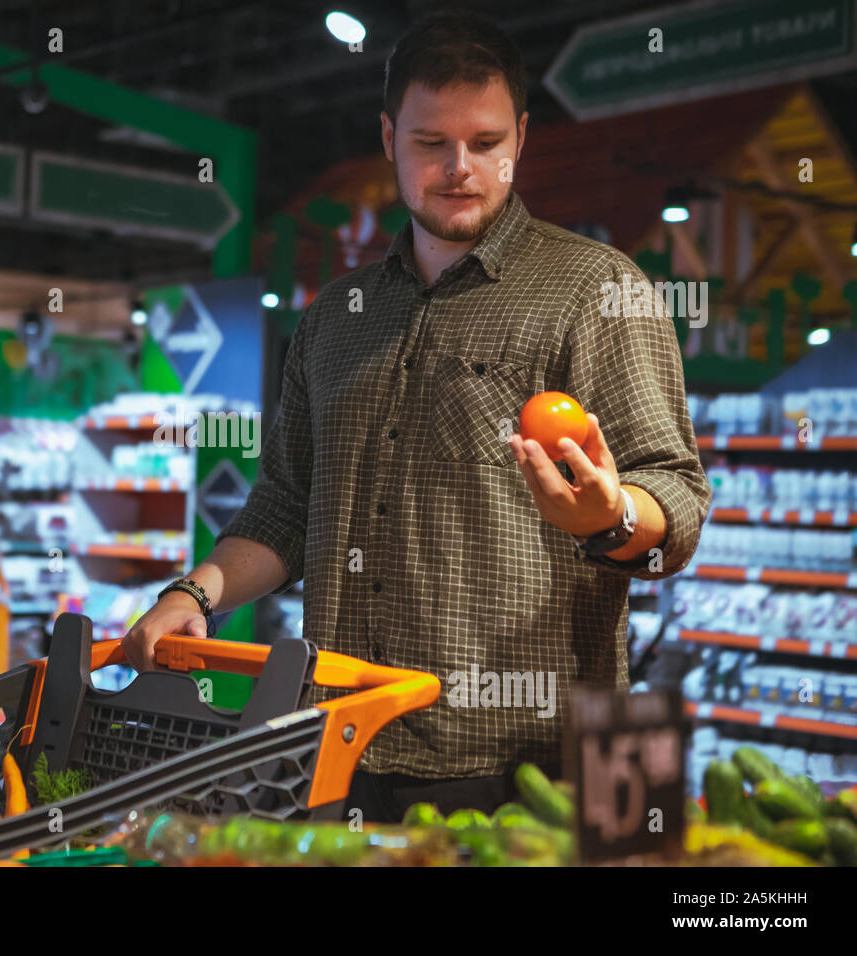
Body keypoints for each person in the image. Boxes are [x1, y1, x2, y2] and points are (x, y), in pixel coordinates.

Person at [121, 10, 710, 821]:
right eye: (432, 143)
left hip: (526, 772)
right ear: (391, 136)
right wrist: (193, 593)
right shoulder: (336, 317)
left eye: (486, 142)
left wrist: (610, 518)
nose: (460, 168)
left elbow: (676, 498)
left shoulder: (596, 291)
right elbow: (287, 504)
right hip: (336, 747)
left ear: (521, 140)